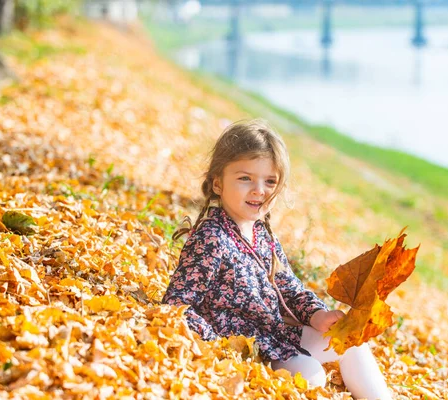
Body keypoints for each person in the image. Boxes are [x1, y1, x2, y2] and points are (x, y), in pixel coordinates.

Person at [162, 119, 392, 399]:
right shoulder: (211, 238)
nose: (259, 189)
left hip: (276, 335)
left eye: (269, 181)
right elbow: (177, 304)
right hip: (247, 347)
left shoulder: (262, 234)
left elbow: (289, 288)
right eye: (245, 178)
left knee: (350, 343)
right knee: (311, 375)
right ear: (218, 183)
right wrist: (218, 345)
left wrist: (317, 315)